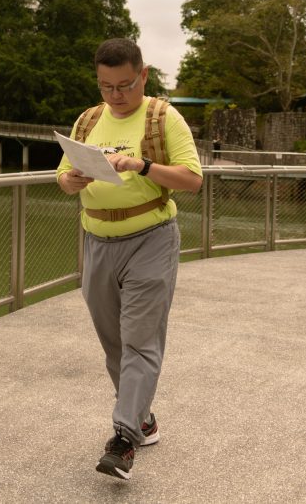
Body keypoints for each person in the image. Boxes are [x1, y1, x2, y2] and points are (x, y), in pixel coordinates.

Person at [57, 38, 203, 480]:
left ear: (143, 74)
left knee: (140, 339)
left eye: (124, 85)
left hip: (150, 238)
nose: (116, 95)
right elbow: (63, 177)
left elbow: (192, 179)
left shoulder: (162, 117)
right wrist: (74, 179)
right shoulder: (87, 120)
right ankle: (144, 418)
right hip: (96, 240)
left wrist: (140, 166)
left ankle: (123, 440)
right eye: (106, 86)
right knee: (114, 345)